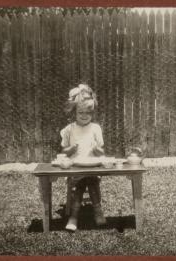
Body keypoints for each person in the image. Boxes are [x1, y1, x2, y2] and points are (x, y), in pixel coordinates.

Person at [61, 83, 106, 231]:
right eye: (81, 112)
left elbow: (101, 153)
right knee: (79, 186)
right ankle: (74, 217)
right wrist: (72, 148)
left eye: (88, 113)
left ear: (92, 113)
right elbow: (64, 152)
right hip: (76, 168)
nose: (84, 116)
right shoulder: (70, 129)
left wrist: (95, 149)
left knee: (92, 181)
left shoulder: (95, 129)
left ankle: (98, 212)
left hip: (92, 167)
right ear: (74, 112)